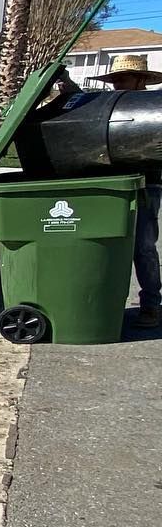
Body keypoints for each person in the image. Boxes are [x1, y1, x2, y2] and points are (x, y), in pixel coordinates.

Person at [98, 53, 162, 328]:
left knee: (143, 247)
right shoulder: (112, 104)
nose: (116, 84)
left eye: (122, 78)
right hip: (114, 184)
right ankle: (108, 302)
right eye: (114, 80)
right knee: (109, 244)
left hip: (147, 185)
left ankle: (151, 305)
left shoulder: (153, 108)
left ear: (140, 80)